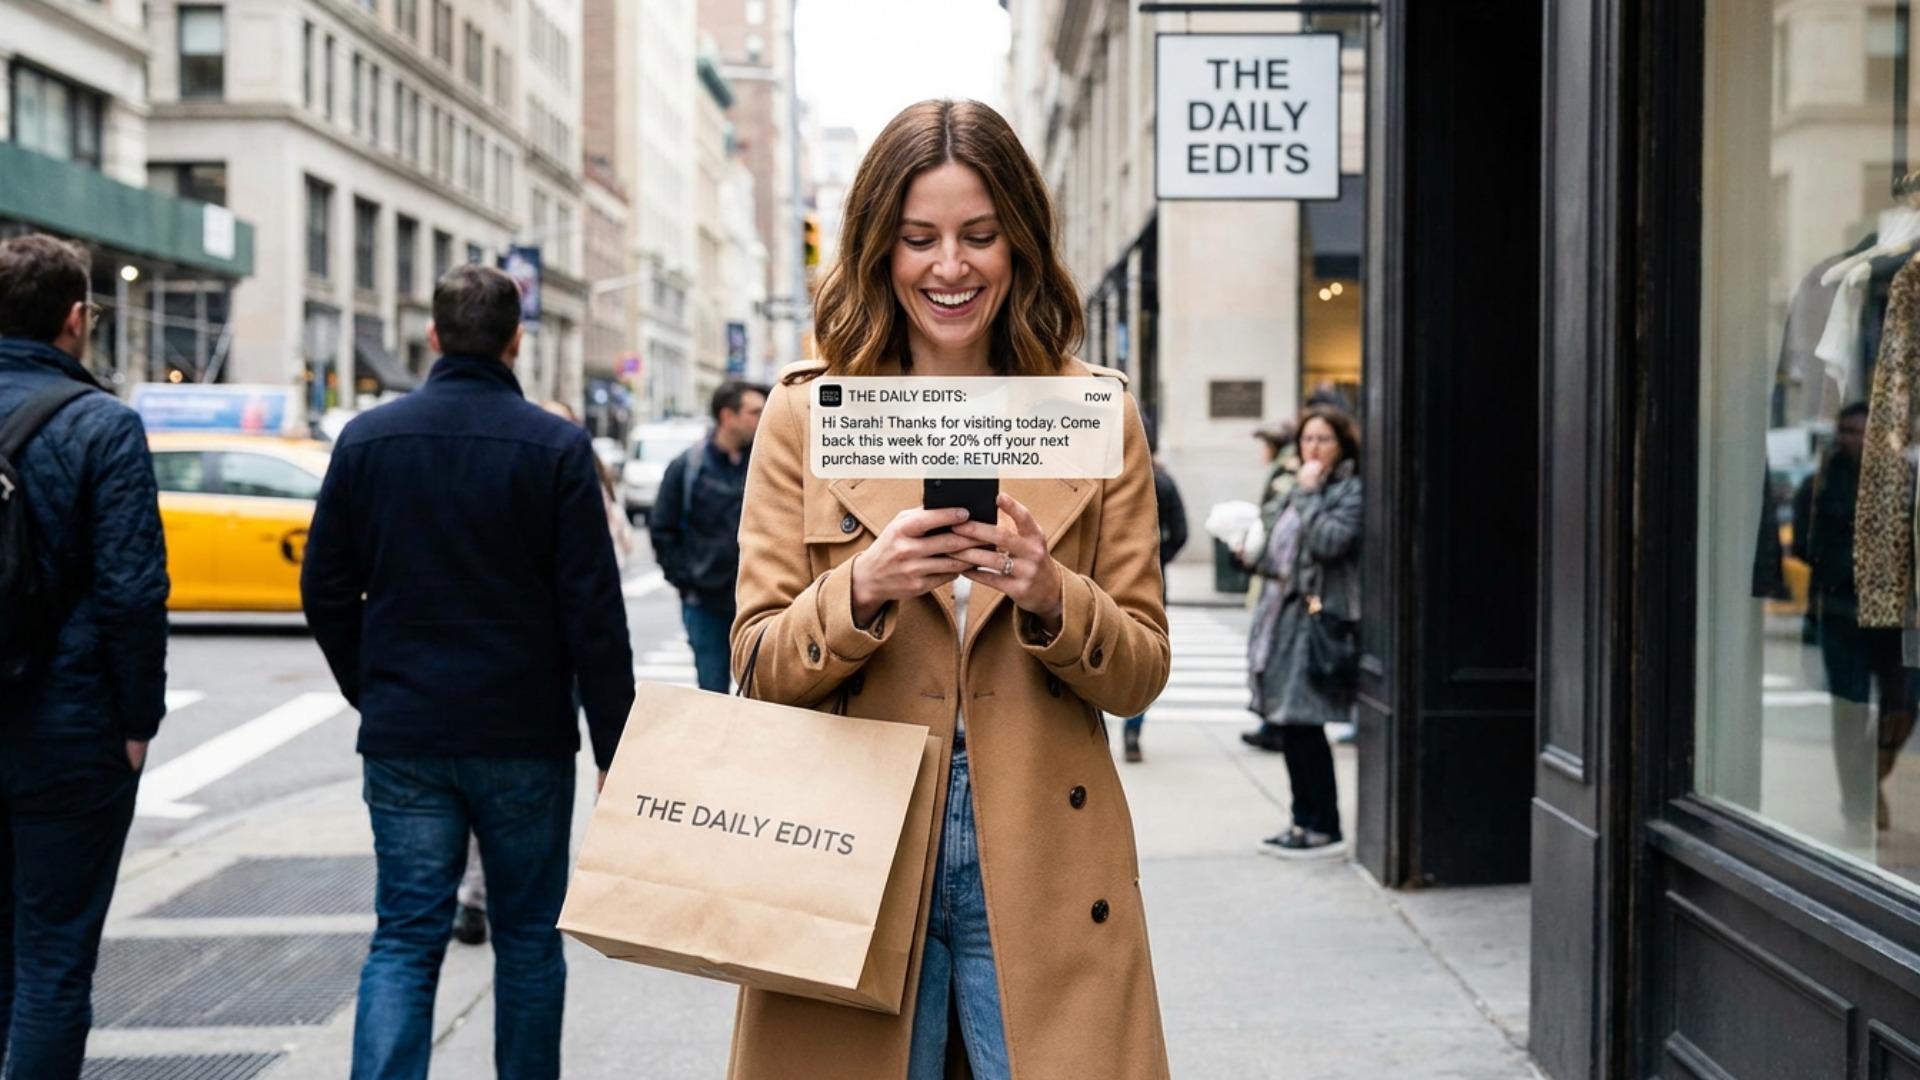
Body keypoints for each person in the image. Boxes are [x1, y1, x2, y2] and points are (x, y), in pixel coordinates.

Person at [727, 99, 1172, 1080]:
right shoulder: (807, 413)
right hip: (854, 846)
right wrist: (864, 588)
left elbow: (1140, 672)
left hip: (1045, 851)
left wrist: (1054, 596)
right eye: (918, 238)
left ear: (1021, 242)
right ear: (878, 248)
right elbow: (756, 666)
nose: (950, 267)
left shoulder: (1093, 412)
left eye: (979, 234)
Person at [300, 264, 635, 1080]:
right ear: (517, 341)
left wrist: (370, 687)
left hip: (406, 730)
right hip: (525, 735)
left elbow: (325, 588)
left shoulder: (367, 440)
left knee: (405, 939)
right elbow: (593, 614)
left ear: (432, 336)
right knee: (528, 941)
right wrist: (617, 748)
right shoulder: (556, 448)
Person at [0, 234, 169, 1080]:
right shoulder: (103, 425)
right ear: (75, 319)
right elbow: (132, 593)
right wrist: (137, 723)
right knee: (53, 959)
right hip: (68, 732)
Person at [1245, 406, 1364, 858]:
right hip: (1281, 614)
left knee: (1304, 723)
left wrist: (1310, 494)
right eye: (1307, 439)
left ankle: (1323, 826)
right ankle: (1301, 820)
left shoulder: (1349, 490)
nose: (1312, 448)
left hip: (1314, 617)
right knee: (1287, 723)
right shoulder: (1296, 484)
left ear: (1342, 445)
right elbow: (1274, 547)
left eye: (1323, 439)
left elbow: (1330, 542)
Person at [1790, 402, 1914, 831]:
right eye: (1845, 431)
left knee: (1904, 707)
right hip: (1843, 615)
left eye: (1860, 432)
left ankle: (1871, 782)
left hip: (1899, 619)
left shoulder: (1906, 481)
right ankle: (1859, 806)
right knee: (1849, 713)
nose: (1851, 440)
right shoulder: (1819, 486)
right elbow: (1804, 546)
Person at [649, 380, 766, 693]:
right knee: (713, 693)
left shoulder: (767, 462)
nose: (763, 417)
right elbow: (662, 528)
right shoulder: (688, 466)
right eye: (754, 412)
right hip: (706, 602)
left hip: (760, 601)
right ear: (728, 416)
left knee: (765, 696)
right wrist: (685, 580)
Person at [1120, 416, 1189, 763]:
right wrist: (1157, 560)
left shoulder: (1102, 478)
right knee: (1138, 655)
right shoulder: (1162, 481)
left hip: (1102, 580)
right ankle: (1132, 731)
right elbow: (1181, 532)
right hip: (1149, 582)